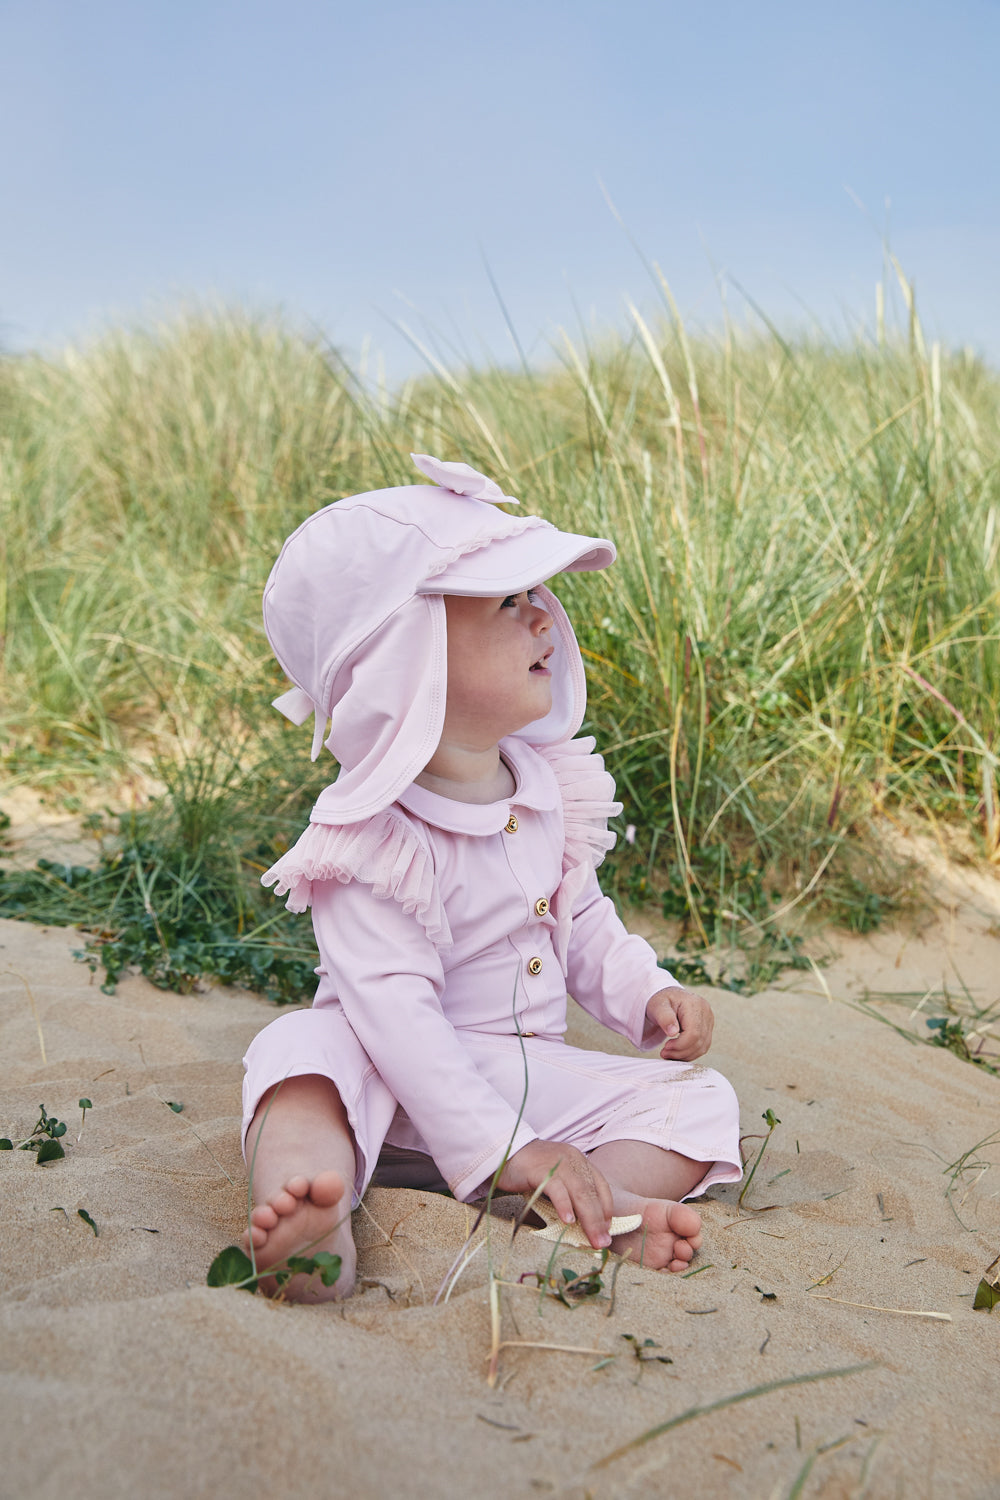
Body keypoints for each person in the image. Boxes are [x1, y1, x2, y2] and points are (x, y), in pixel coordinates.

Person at [240, 454, 741, 1301]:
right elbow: (396, 1018)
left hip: (516, 1074)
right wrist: (504, 1146)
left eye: (538, 598)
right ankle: (310, 1217)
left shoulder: (543, 787)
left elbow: (581, 919)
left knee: (699, 1104)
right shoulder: (371, 839)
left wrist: (644, 994)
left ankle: (585, 1200)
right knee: (297, 1056)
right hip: (388, 1084)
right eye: (508, 603)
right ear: (407, 656)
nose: (545, 620)